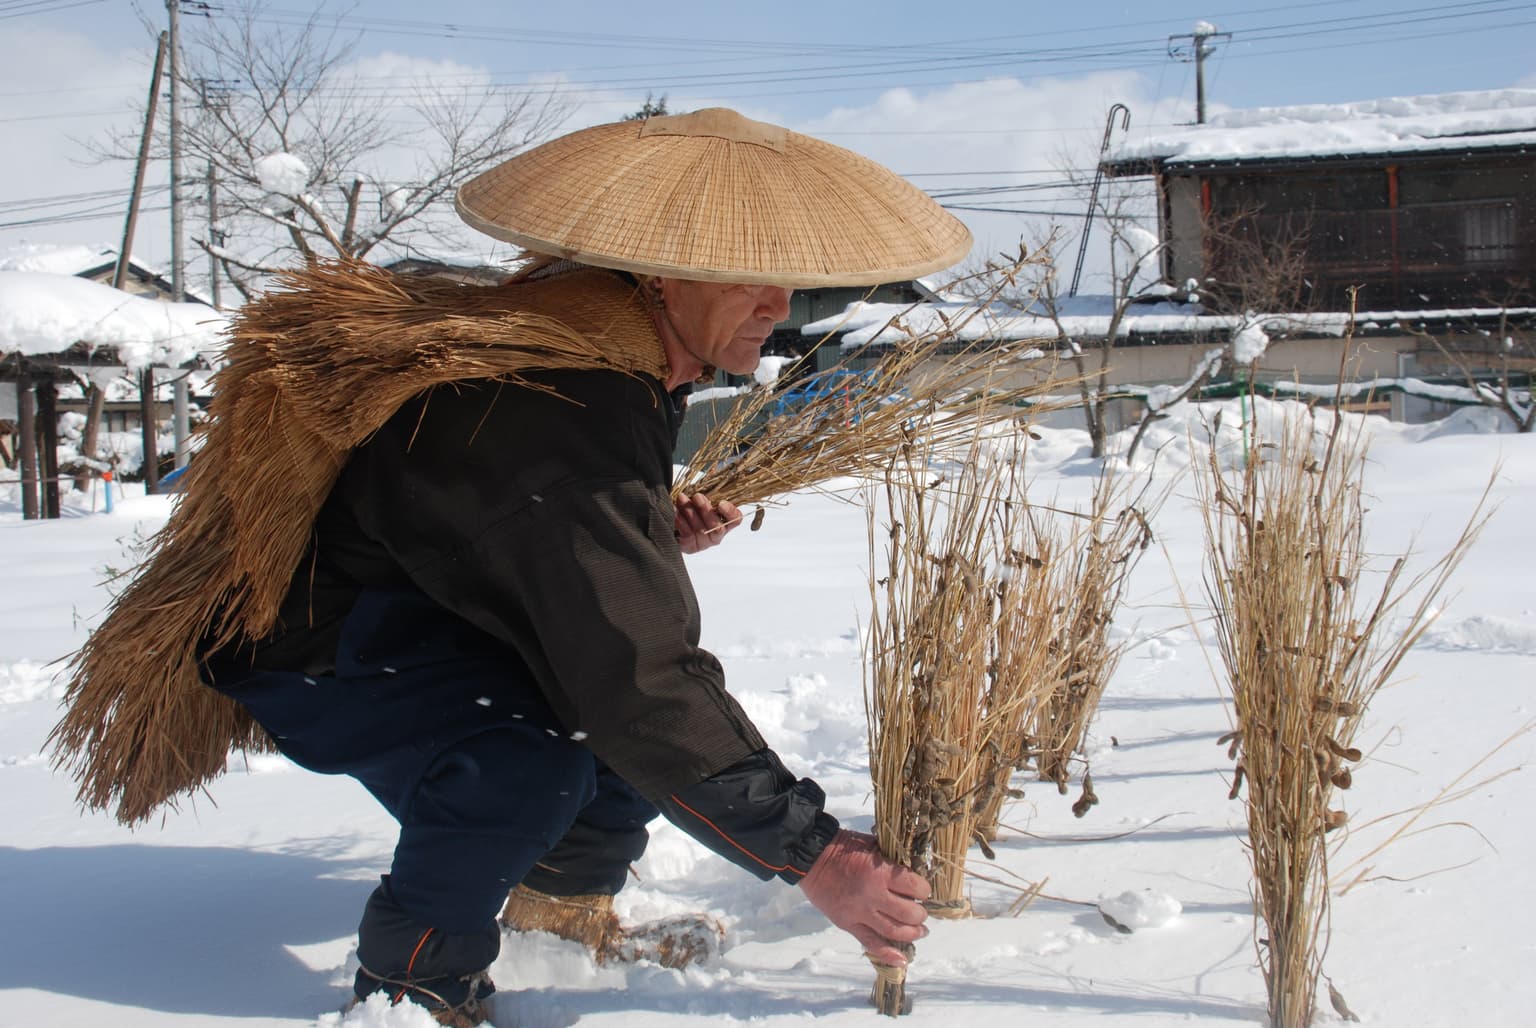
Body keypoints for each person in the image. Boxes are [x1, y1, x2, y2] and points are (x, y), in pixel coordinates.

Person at [194, 107, 974, 1025]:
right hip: (328, 642)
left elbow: (523, 535)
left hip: (438, 606)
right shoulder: (569, 403)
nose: (776, 305)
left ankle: (556, 916)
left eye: (787, 282)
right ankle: (411, 987)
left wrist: (639, 534)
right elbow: (638, 677)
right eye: (745, 278)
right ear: (658, 274)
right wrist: (816, 855)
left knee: (603, 745)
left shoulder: (604, 352)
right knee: (524, 766)